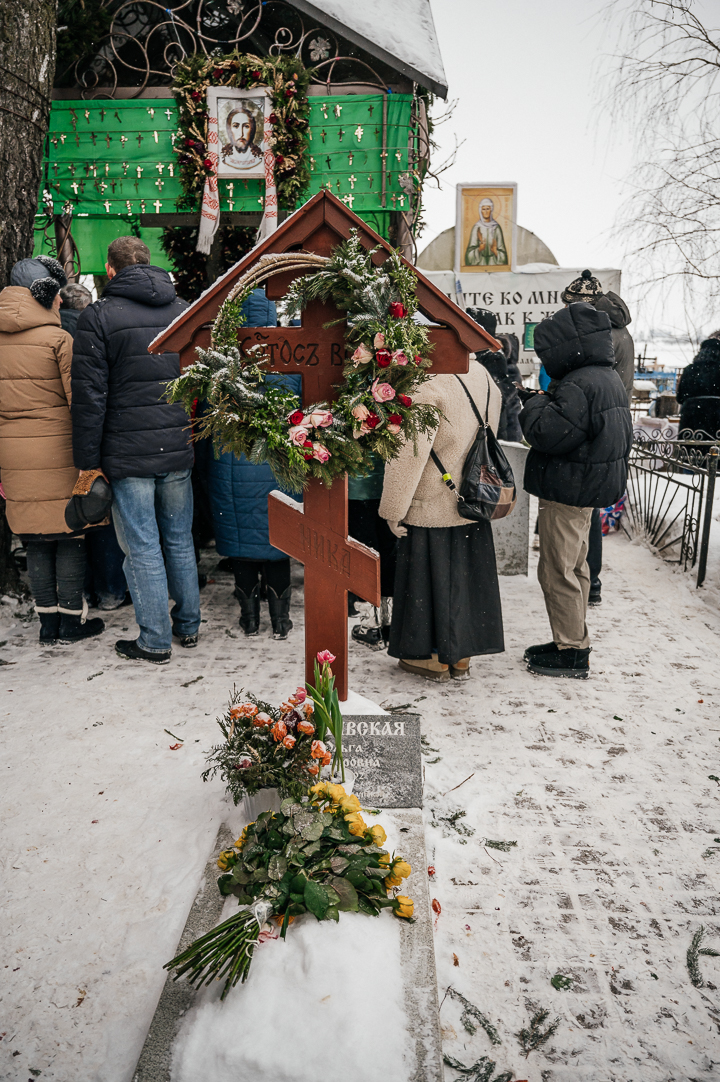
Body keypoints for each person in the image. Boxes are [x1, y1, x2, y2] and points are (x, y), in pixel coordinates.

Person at [71, 236, 199, 664]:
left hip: (127, 454)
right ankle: (188, 625)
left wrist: (88, 463)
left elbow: (89, 397)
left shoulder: (98, 316)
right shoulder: (182, 310)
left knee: (142, 546)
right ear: (147, 262)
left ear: (110, 269)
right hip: (176, 444)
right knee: (179, 540)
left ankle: (155, 641)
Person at [520, 302, 632, 679]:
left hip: (568, 488)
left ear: (568, 346)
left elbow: (546, 433)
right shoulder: (605, 376)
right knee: (576, 566)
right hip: (586, 487)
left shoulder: (579, 383)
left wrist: (536, 401)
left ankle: (571, 650)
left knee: (557, 570)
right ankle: (572, 640)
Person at [379, 358, 504, 681]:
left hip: (433, 501)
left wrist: (393, 509)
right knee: (464, 582)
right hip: (474, 497)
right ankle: (460, 656)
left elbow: (410, 454)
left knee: (429, 583)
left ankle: (432, 659)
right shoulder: (481, 373)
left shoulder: (427, 384)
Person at [0, 256, 103, 645]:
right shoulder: (58, 340)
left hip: (12, 453)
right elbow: (80, 402)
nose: (61, 300)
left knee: (35, 536)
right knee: (69, 532)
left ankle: (47, 624)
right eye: (57, 293)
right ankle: (71, 621)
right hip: (58, 449)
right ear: (43, 294)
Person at [205, 287, 298, 639]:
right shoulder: (290, 360)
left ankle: (249, 619)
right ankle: (281, 620)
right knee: (279, 542)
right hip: (277, 467)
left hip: (232, 468)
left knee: (243, 543)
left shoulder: (222, 364)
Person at [561, 270, 636, 605]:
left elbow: (584, 383)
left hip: (593, 423)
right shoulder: (619, 330)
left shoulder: (599, 333)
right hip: (612, 421)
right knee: (588, 503)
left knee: (583, 503)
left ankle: (585, 578)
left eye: (570, 305)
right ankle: (591, 579)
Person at [348, 456, 397, 650]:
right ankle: (389, 622)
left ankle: (370, 625)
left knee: (364, 556)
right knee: (388, 554)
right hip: (388, 486)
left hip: (356, 487)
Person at [467, 308, 523, 442]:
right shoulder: (486, 355)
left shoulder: (493, 358)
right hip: (497, 427)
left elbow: (496, 399)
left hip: (498, 430)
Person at [676, 331, 720, 439]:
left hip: (690, 421)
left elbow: (680, 397)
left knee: (689, 447)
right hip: (716, 420)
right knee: (714, 447)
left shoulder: (689, 370)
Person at [465, 198, 507, 267]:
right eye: (483, 209)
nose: (486, 212)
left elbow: (503, 255)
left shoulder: (496, 228)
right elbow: (469, 255)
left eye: (488, 209)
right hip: (480, 263)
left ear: (491, 210)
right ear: (480, 211)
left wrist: (495, 251)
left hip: (494, 263)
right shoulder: (476, 228)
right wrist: (479, 249)